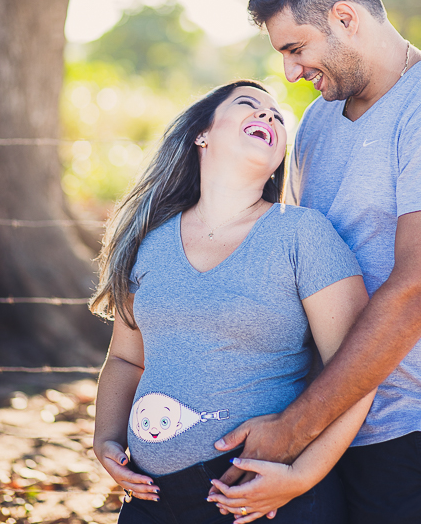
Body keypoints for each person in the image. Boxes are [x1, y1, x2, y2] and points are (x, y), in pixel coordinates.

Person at [209, 0, 421, 524]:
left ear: (346, 18)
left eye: (297, 49)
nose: (290, 73)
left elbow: (418, 293)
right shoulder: (320, 119)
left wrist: (291, 428)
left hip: (414, 428)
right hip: (322, 421)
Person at [90, 79, 374, 524]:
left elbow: (358, 371)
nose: (268, 116)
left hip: (261, 498)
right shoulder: (149, 241)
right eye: (249, 105)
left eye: (277, 117)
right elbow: (127, 359)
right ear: (201, 134)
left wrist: (301, 475)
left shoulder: (303, 234)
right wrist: (104, 437)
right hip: (150, 498)